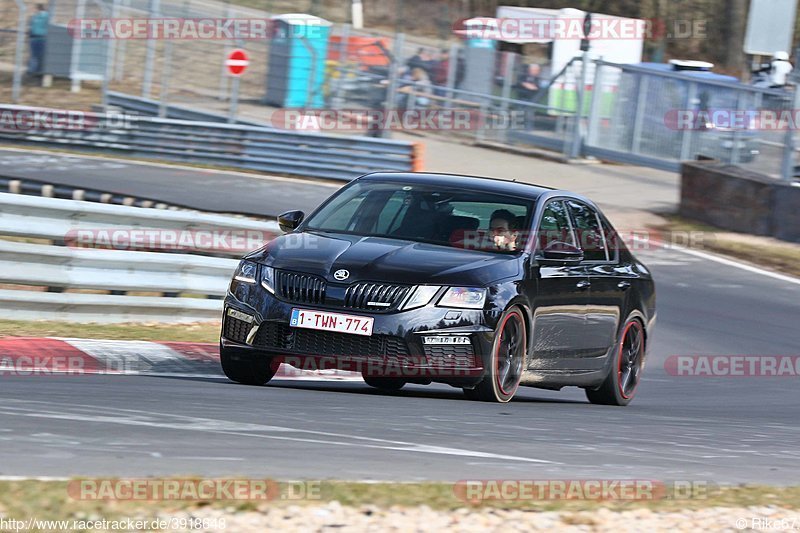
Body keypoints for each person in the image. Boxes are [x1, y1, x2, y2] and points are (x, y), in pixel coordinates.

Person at [27, 4, 49, 75]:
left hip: (37, 38)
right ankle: (37, 70)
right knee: (39, 56)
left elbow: (31, 27)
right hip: (41, 38)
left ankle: (33, 70)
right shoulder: (44, 16)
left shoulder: (36, 17)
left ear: (38, 8)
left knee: (35, 56)